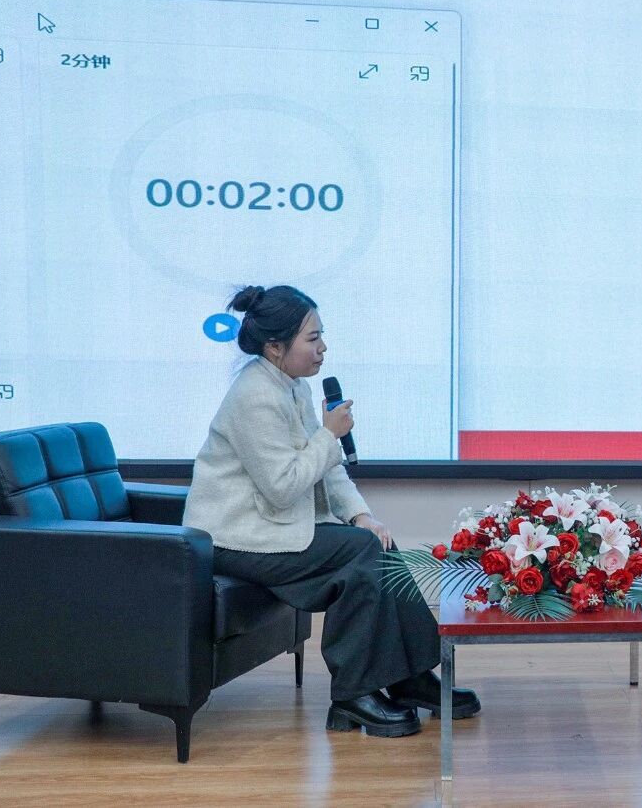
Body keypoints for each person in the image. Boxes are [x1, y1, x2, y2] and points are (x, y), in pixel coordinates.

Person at [184, 284, 479, 738]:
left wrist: (361, 515)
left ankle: (410, 679)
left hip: (270, 526)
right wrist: (329, 436)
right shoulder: (253, 396)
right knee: (358, 554)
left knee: (375, 542)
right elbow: (283, 487)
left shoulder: (293, 387)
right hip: (235, 538)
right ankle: (352, 697)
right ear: (276, 347)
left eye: (322, 336)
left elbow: (326, 470)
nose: (323, 347)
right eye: (312, 338)